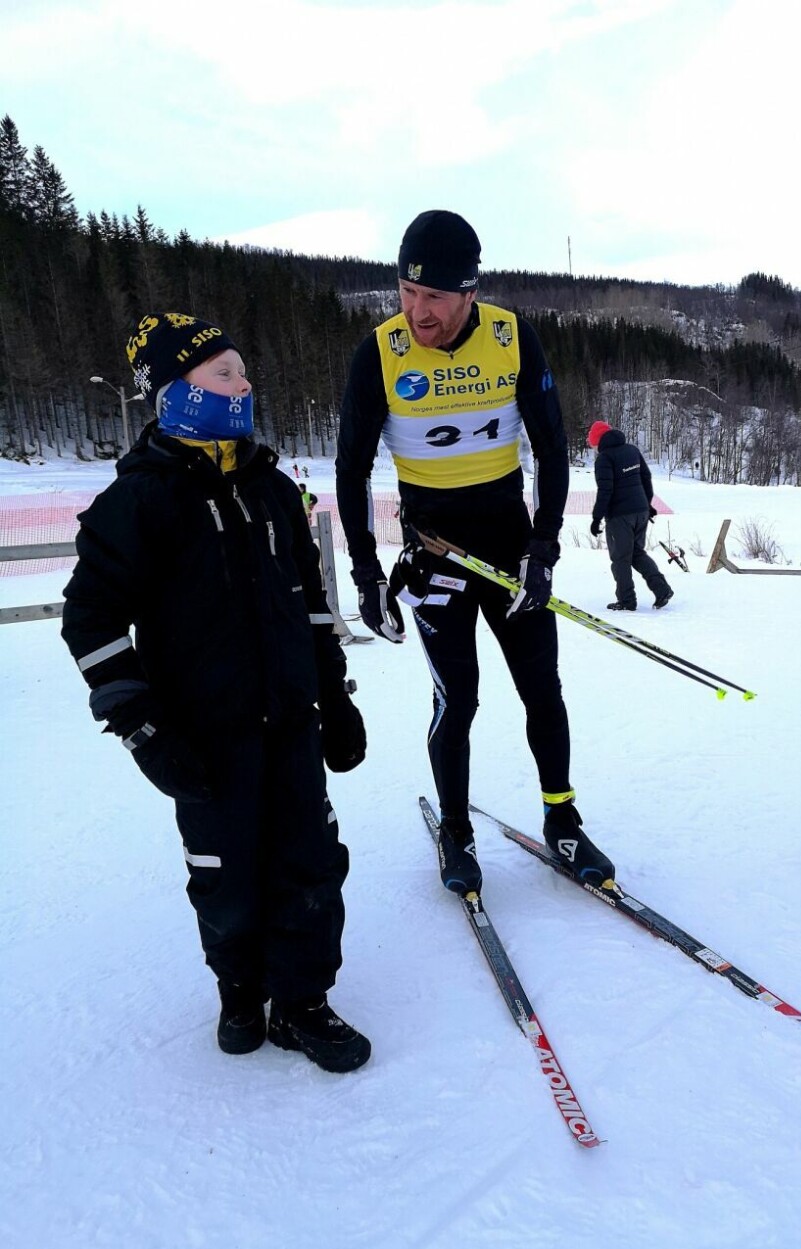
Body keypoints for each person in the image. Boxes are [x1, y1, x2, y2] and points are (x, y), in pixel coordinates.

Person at [61, 311, 371, 1074]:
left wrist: (332, 695)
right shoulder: (137, 502)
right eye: (224, 373)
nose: (244, 384)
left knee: (310, 863)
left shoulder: (271, 487)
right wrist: (141, 727)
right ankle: (240, 988)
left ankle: (302, 1002)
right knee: (224, 875)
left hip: (291, 722)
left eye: (242, 370)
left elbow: (311, 604)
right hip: (203, 738)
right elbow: (91, 621)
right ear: (175, 392)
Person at [335, 210, 615, 894]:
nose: (415, 311)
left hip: (511, 552)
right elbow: (349, 468)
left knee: (541, 689)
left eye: (432, 297)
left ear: (468, 292)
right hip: (436, 558)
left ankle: (563, 818)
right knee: (456, 699)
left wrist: (544, 547)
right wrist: (367, 571)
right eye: (405, 291)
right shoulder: (381, 351)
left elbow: (552, 449)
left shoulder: (511, 337)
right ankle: (456, 833)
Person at [587, 419, 673, 611]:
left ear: (597, 440)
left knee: (620, 559)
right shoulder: (631, 450)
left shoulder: (605, 458)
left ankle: (627, 601)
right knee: (636, 553)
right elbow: (646, 478)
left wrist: (596, 518)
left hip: (620, 516)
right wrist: (647, 504)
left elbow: (605, 490)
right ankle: (662, 589)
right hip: (641, 511)